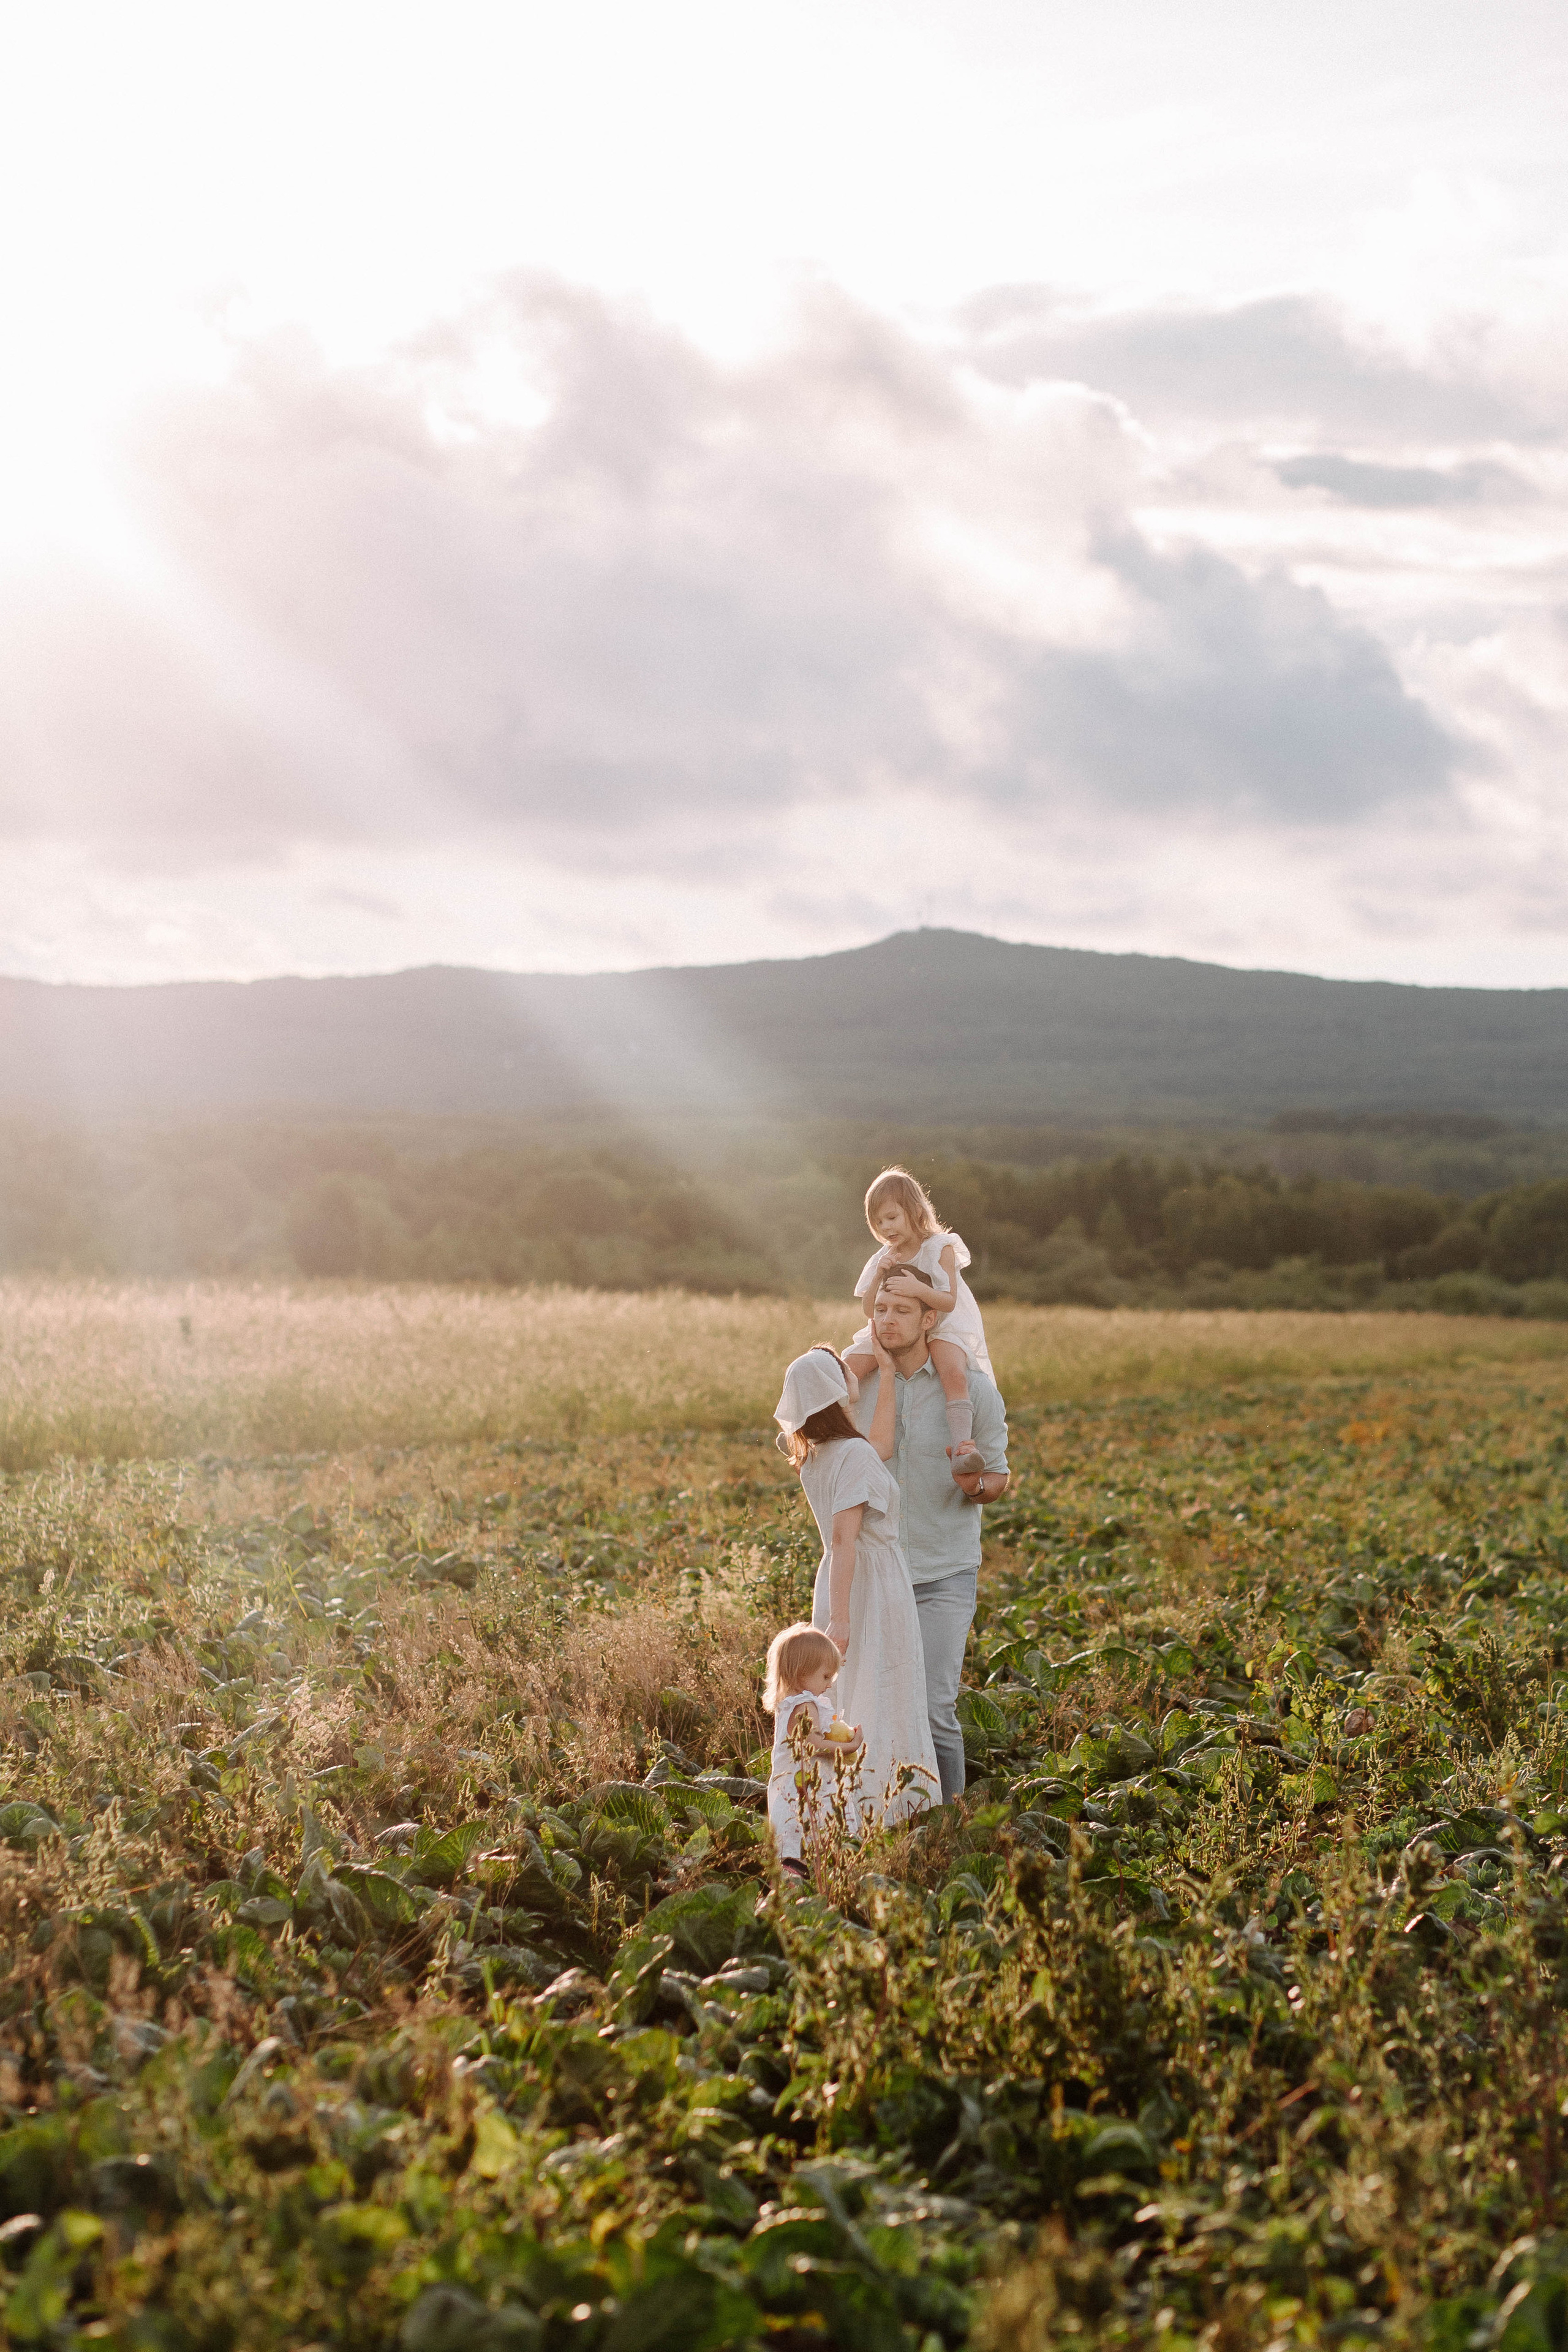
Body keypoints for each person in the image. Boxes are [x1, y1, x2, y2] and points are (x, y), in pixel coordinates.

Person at [850, 1273, 1009, 1805]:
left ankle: (951, 1820)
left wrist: (977, 1486)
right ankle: (885, 1813)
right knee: (871, 1704)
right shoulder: (857, 1385)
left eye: (901, 1310)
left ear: (930, 1320)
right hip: (875, 1569)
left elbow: (999, 1479)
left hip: (944, 1571)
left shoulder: (972, 1390)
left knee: (934, 1706)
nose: (887, 1319)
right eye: (881, 1309)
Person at [774, 1346, 940, 1837]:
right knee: (886, 1682)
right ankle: (887, 1807)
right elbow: (847, 1539)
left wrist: (884, 1374)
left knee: (851, 1688)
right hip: (868, 1582)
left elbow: (876, 1447)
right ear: (833, 1388)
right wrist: (841, 1618)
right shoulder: (852, 1454)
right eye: (841, 1366)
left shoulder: (818, 1454)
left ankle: (847, 1807)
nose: (853, 1365)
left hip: (839, 1579)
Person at [841, 1166, 993, 1477]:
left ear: (914, 1210)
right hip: (896, 1322)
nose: (886, 1227)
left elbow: (948, 1301)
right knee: (845, 1367)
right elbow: (870, 1310)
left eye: (892, 1218)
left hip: (943, 1321)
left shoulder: (940, 1247)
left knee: (953, 1373)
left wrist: (917, 1290)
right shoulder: (886, 1255)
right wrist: (880, 1275)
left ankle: (963, 1447)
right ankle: (812, 1430)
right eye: (878, 1222)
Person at [763, 1622, 862, 1883]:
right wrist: (848, 1747)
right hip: (804, 1790)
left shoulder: (792, 1704)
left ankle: (805, 1882)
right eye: (825, 1677)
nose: (829, 1684)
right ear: (799, 1674)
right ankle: (799, 1885)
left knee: (803, 1843)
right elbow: (812, 1745)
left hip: (797, 1786)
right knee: (804, 1839)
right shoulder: (804, 1705)